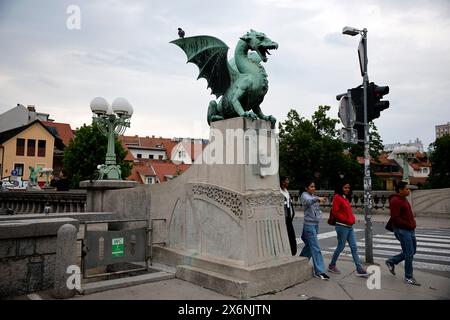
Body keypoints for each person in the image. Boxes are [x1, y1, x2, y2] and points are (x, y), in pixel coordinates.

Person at [327, 181, 368, 277]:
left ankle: (359, 268)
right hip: (342, 226)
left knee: (354, 247)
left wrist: (352, 219)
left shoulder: (344, 198)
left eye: (348, 188)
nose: (347, 189)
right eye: (345, 187)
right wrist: (346, 219)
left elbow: (347, 212)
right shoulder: (337, 197)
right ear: (340, 187)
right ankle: (332, 265)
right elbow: (335, 212)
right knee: (341, 247)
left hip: (349, 226)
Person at [385, 181, 420, 286]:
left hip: (409, 230)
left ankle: (391, 261)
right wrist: (408, 224)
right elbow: (395, 218)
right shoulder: (395, 201)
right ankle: (408, 277)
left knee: (412, 251)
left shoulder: (403, 199)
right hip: (402, 230)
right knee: (409, 253)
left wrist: (412, 223)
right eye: (406, 189)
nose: (408, 190)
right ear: (400, 190)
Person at [299, 180, 329, 280]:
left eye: (314, 187)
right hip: (309, 225)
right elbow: (308, 202)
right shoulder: (305, 195)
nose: (313, 188)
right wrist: (317, 199)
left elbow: (315, 210)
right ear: (306, 188)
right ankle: (319, 271)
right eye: (311, 187)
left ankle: (300, 262)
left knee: (310, 246)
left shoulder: (312, 196)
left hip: (315, 225)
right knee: (315, 248)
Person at [280, 176, 297, 256]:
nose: (288, 182)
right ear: (282, 182)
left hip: (288, 216)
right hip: (283, 216)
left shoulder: (286, 191)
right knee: (284, 234)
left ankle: (292, 251)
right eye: (287, 180)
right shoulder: (279, 192)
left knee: (291, 234)